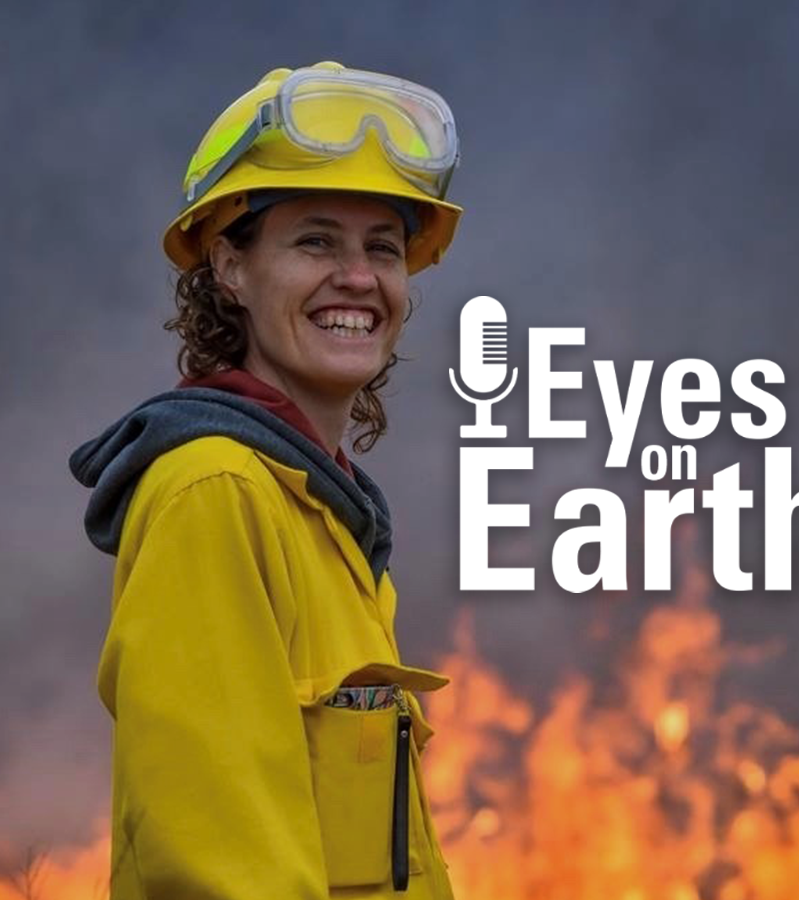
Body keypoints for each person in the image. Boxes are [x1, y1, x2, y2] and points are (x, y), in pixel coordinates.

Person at [69, 61, 462, 899]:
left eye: (382, 248)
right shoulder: (216, 494)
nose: (358, 277)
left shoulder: (321, 515)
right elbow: (216, 868)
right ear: (230, 269)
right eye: (315, 240)